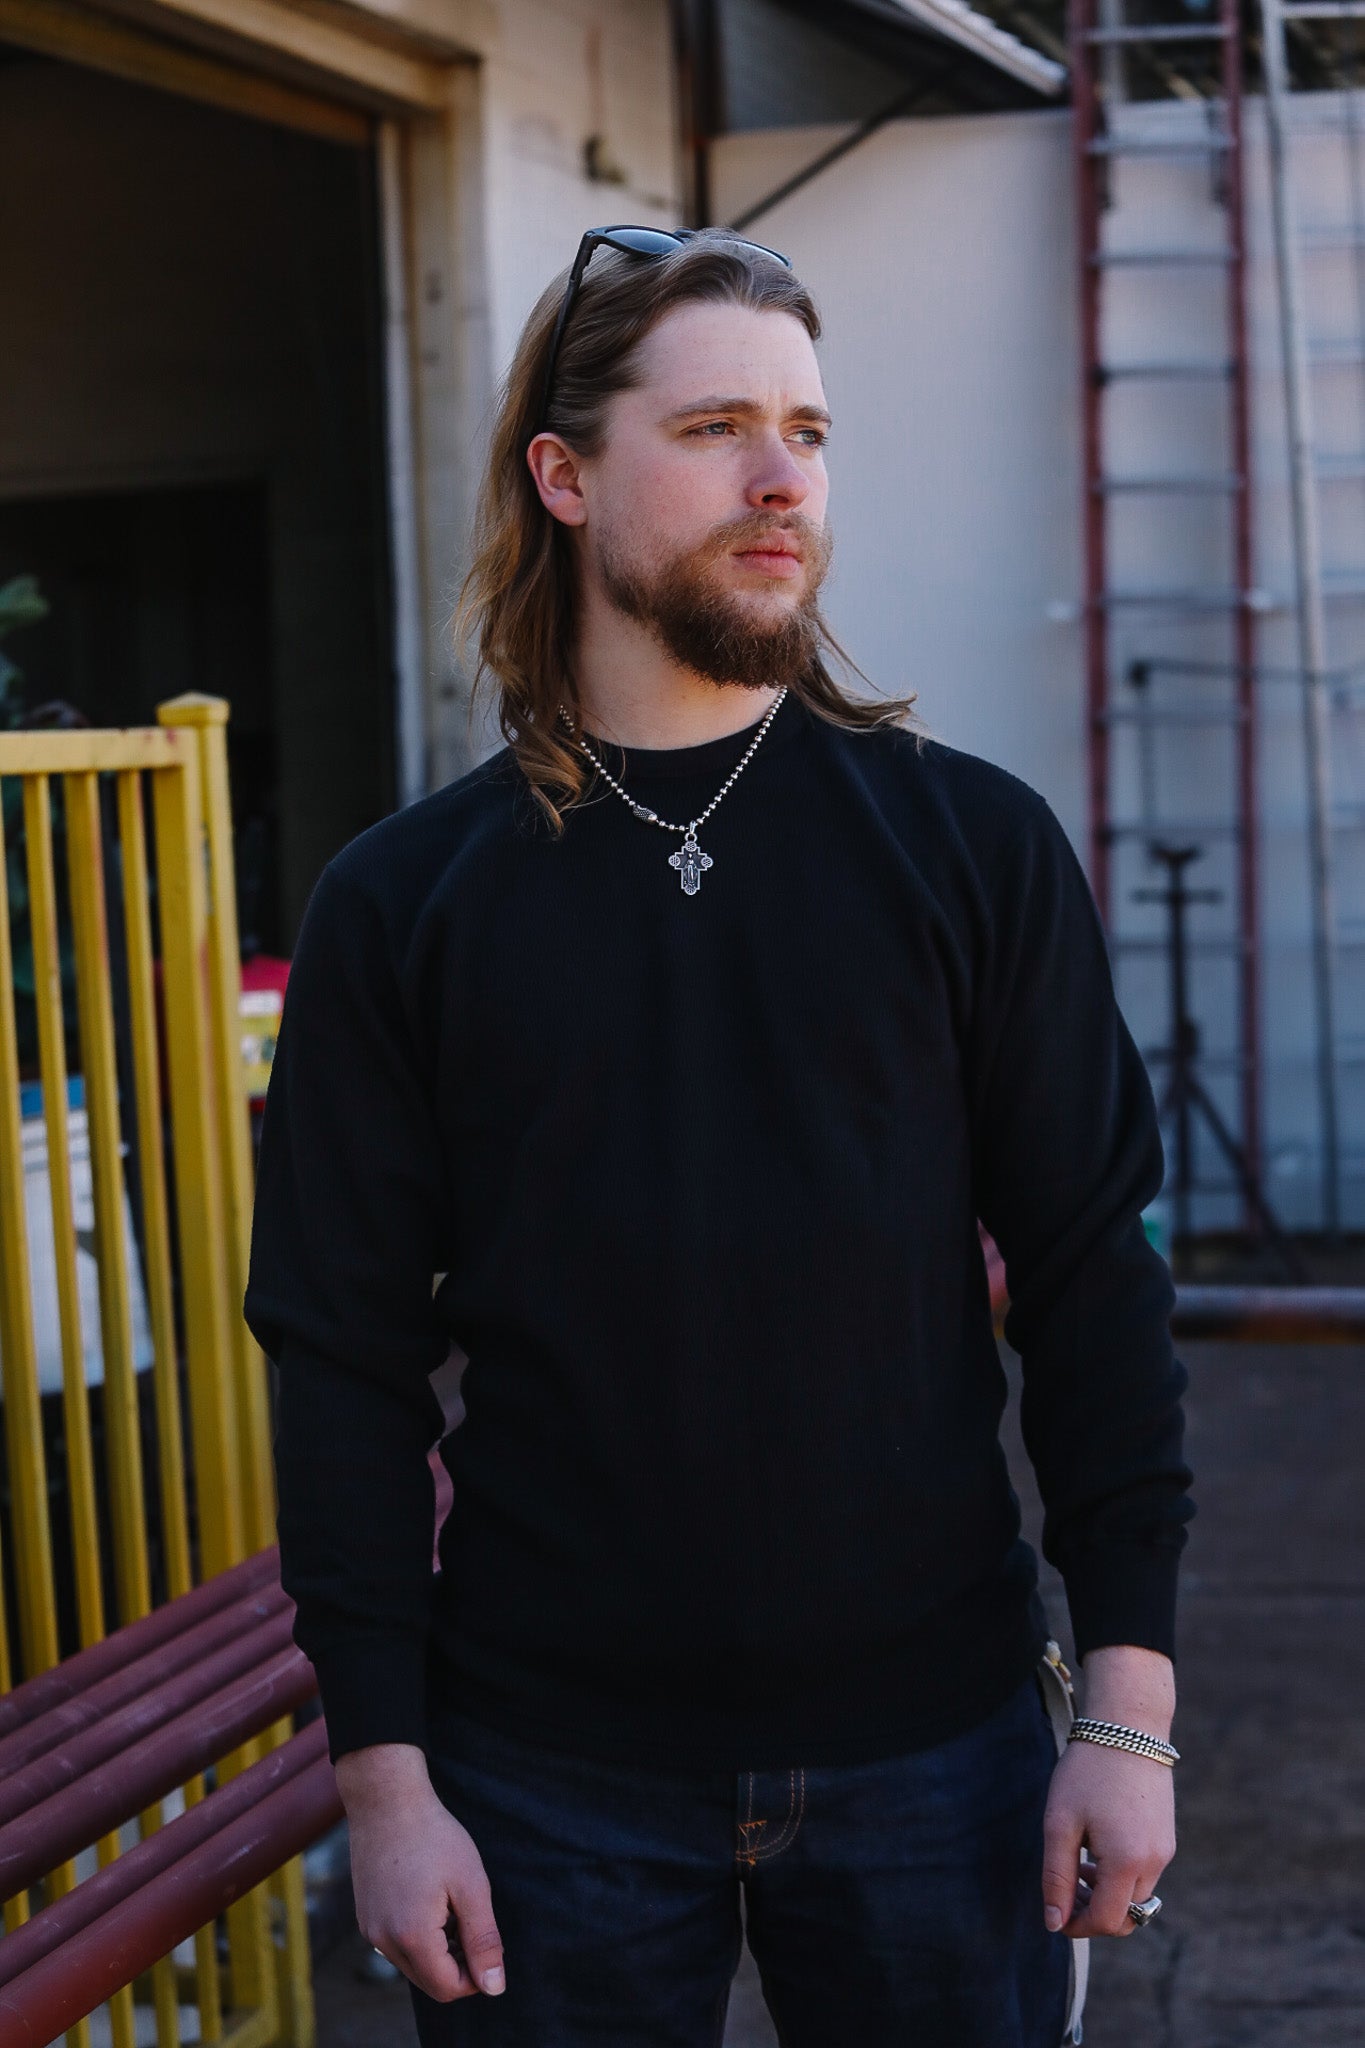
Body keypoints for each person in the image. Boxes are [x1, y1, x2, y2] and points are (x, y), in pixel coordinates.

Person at [244, 226, 1194, 2048]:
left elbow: (1091, 1280)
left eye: (811, 435)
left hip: (943, 1756)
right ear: (566, 472)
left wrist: (1127, 1715)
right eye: (718, 430)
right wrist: (386, 1777)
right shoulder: (403, 904)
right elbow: (341, 1360)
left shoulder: (971, 852)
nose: (782, 484)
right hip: (541, 1778)